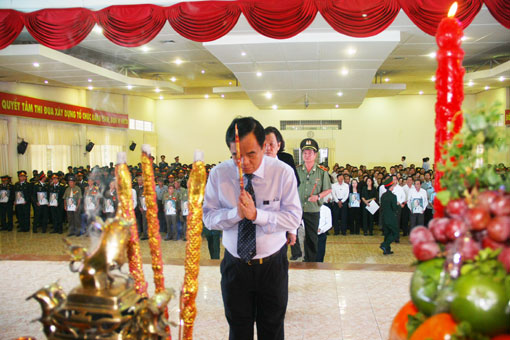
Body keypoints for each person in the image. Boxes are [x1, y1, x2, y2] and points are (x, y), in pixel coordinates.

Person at [203, 117, 302, 340]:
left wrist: (257, 216)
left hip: (271, 266)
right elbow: (208, 218)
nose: (244, 162)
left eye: (251, 154)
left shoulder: (282, 173)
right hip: (235, 266)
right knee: (238, 330)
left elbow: (294, 217)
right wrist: (235, 214)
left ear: (263, 146)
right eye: (236, 155)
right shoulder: (219, 175)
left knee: (272, 329)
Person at [263, 126, 301, 260]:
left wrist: (292, 230)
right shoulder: (252, 166)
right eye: (264, 144)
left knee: (278, 265)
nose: (267, 148)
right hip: (259, 229)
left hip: (280, 226)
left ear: (279, 145)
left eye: (271, 144)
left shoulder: (286, 167)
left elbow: (291, 201)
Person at [297, 138, 332, 262]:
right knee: (294, 235)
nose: (307, 155)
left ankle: (311, 262)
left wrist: (317, 197)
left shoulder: (322, 172)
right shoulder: (297, 170)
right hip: (297, 209)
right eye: (305, 153)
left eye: (310, 153)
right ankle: (298, 258)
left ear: (315, 155)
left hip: (313, 209)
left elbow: (328, 190)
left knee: (312, 237)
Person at [380, 178, 398, 255]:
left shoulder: (383, 196)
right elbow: (394, 208)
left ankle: (387, 250)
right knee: (395, 233)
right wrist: (399, 206)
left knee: (387, 233)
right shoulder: (393, 196)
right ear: (391, 187)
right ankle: (384, 245)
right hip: (391, 217)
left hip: (384, 217)